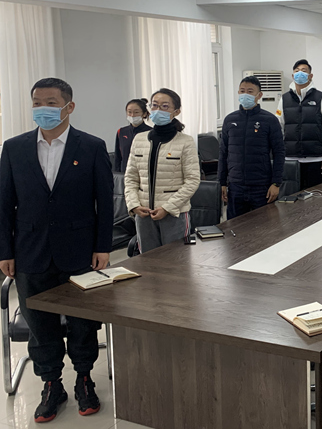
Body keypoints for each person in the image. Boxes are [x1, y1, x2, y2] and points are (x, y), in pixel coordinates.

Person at [0, 78, 113, 423]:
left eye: (50, 102)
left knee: (82, 322)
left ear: (69, 107)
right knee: (40, 324)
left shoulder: (91, 146)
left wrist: (103, 247)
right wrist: (5, 250)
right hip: (30, 252)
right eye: (37, 102)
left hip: (80, 252)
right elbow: (4, 204)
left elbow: (105, 202)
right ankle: (51, 384)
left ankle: (84, 379)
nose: (42, 109)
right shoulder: (14, 147)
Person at [124, 88, 200, 253]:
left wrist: (167, 207)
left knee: (176, 260)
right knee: (148, 261)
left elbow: (192, 180)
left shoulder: (185, 142)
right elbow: (130, 177)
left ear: (176, 111)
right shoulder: (139, 139)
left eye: (164, 106)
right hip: (144, 214)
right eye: (154, 105)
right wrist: (134, 205)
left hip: (174, 214)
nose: (158, 110)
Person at [219, 76, 285, 219]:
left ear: (259, 95)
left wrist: (276, 183)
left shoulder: (270, 120)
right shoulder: (230, 120)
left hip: (261, 187)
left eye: (250, 91)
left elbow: (279, 153)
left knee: (264, 227)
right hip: (235, 186)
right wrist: (222, 182)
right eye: (242, 91)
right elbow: (223, 153)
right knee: (234, 227)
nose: (245, 94)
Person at [276, 59, 322, 190]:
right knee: (291, 197)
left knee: (315, 196)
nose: (300, 74)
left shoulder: (321, 98)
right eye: (297, 71)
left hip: (315, 159)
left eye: (304, 71)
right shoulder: (284, 99)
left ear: (310, 76)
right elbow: (278, 127)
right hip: (290, 159)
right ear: (293, 76)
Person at [114, 98, 152, 173]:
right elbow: (117, 157)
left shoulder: (151, 132)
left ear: (144, 113)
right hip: (125, 173)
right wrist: (117, 174)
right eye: (129, 112)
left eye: (136, 112)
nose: (132, 115)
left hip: (145, 172)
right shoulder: (121, 132)